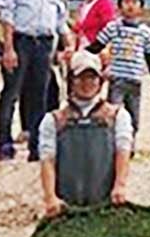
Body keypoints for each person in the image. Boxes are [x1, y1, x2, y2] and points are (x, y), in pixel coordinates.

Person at [0, 0, 71, 161]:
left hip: (45, 39)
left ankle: (36, 145)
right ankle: (4, 141)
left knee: (40, 92)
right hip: (21, 38)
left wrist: (66, 41)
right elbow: (6, 11)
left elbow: (59, 10)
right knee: (12, 90)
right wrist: (8, 47)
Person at [39, 50, 135, 217]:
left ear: (100, 81)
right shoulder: (54, 120)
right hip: (66, 202)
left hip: (106, 200)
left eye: (92, 77)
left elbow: (123, 151)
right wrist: (50, 197)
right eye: (81, 78)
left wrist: (120, 186)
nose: (87, 83)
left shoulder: (118, 116)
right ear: (71, 81)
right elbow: (47, 160)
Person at [91, 0, 150, 135]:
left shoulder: (145, 32)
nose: (130, 5)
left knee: (133, 118)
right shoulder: (113, 28)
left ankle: (129, 146)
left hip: (135, 80)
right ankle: (111, 144)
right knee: (112, 114)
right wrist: (82, 56)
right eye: (126, 2)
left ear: (141, 7)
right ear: (120, 7)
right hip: (117, 79)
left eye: (134, 2)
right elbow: (97, 45)